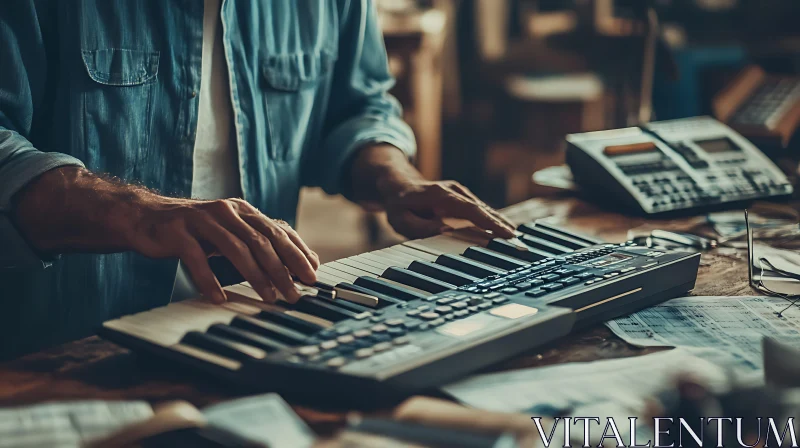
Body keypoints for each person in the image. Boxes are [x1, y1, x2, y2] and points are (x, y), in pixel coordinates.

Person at [0, 1, 516, 359]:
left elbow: (357, 108)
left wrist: (394, 181)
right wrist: (137, 212)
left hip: (251, 329)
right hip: (65, 349)